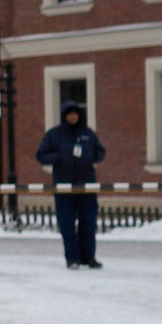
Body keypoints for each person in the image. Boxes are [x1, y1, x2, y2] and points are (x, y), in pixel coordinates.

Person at [36, 100, 106, 269]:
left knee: (88, 224)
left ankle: (89, 257)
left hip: (86, 186)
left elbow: (100, 151)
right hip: (64, 187)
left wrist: (91, 158)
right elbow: (41, 155)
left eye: (75, 113)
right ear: (64, 116)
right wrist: (58, 157)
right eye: (69, 114)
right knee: (67, 225)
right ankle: (72, 258)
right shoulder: (54, 135)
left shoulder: (88, 134)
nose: (72, 117)